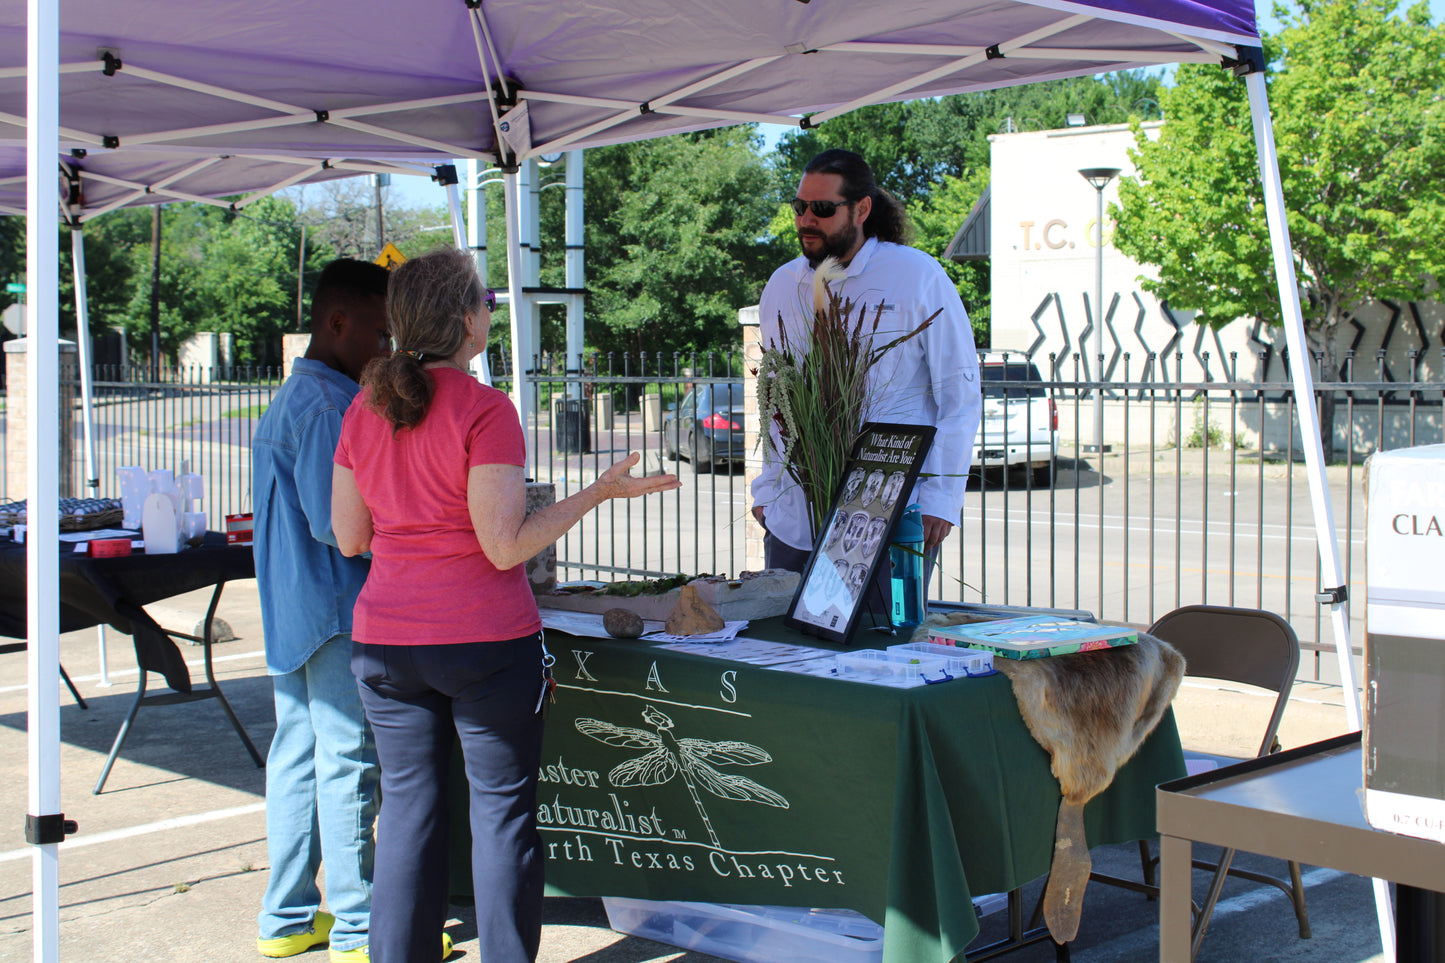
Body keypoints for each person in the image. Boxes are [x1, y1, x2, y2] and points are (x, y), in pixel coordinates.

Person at [331, 249, 679, 963]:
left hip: (385, 642)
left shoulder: (363, 408)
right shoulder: (486, 409)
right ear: (466, 319)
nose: (491, 309)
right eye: (487, 299)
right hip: (484, 643)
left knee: (405, 816)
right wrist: (597, 493)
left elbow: (348, 536)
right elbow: (504, 545)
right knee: (500, 817)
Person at [752, 148, 982, 604]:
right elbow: (776, 400)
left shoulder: (916, 275)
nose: (806, 220)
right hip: (793, 515)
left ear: (861, 209)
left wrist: (941, 498)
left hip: (889, 506)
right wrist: (768, 488)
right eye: (799, 207)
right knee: (785, 647)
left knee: (879, 650)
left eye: (822, 208)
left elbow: (960, 394)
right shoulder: (782, 285)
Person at [252, 258, 391, 962]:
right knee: (347, 762)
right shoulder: (329, 407)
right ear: (337, 323)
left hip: (295, 613)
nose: (388, 349)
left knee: (300, 758)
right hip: (336, 611)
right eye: (379, 332)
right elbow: (338, 525)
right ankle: (363, 927)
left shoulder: (297, 397)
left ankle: (286, 917)